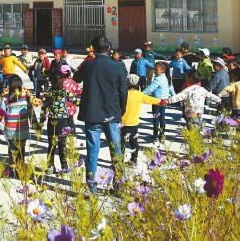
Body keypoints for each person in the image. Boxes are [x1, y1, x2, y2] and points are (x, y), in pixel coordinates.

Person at [72, 36, 127, 192]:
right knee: (115, 149)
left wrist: (86, 62)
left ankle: (92, 187)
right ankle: (119, 185)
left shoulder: (88, 65)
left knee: (92, 149)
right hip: (111, 113)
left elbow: (76, 78)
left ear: (93, 49)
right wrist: (121, 111)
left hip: (92, 114)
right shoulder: (118, 66)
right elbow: (123, 91)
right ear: (109, 49)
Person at [0, 74, 38, 178]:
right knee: (21, 150)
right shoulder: (25, 96)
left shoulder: (5, 98)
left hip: (10, 129)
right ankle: (20, 170)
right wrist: (35, 125)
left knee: (12, 150)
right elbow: (30, 111)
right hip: (23, 129)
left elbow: (0, 113)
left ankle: (12, 169)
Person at [40, 71, 80, 173]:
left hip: (52, 122)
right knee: (62, 145)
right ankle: (64, 166)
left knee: (51, 145)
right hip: (63, 122)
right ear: (61, 81)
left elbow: (44, 108)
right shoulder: (64, 92)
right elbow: (75, 101)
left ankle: (50, 167)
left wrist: (42, 120)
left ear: (51, 81)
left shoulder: (48, 93)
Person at [121, 75, 165, 165]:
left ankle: (119, 161)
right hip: (134, 123)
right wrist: (160, 101)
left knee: (121, 143)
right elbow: (150, 99)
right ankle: (134, 160)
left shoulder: (122, 94)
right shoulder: (139, 94)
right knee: (134, 142)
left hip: (122, 123)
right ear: (137, 84)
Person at [142, 62, 175, 142]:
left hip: (157, 102)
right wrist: (175, 96)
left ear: (163, 70)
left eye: (156, 69)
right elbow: (171, 89)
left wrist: (141, 94)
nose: (154, 71)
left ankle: (155, 136)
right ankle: (162, 135)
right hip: (164, 102)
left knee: (156, 119)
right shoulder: (167, 78)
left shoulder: (158, 79)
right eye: (154, 69)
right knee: (162, 118)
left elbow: (150, 88)